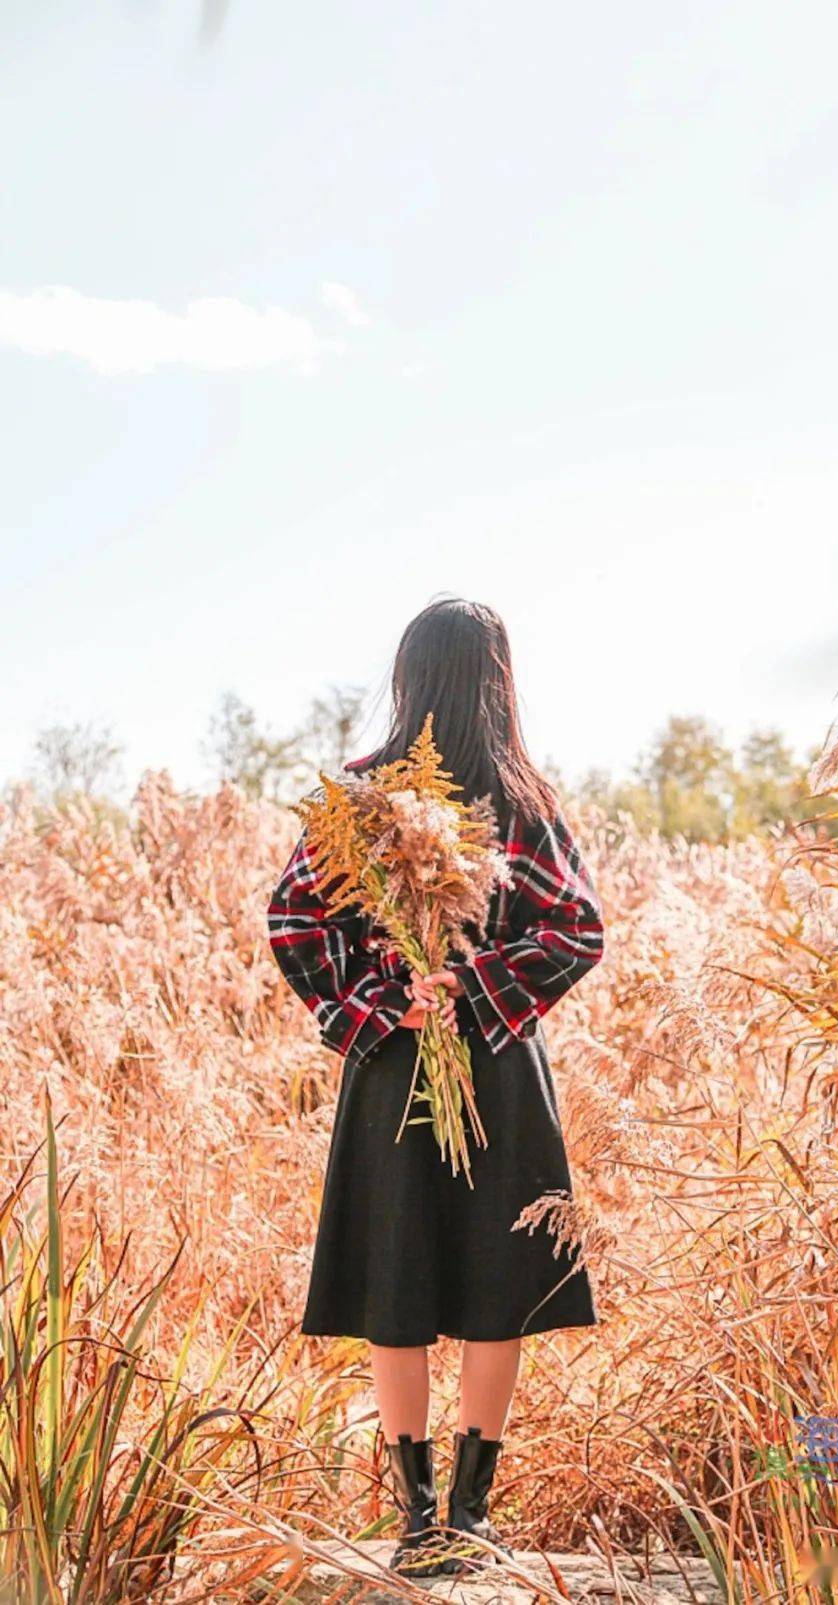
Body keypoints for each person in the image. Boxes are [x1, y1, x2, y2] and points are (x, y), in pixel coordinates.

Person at [267, 598, 604, 1575]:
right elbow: (577, 930)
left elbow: (294, 925)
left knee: (397, 1281)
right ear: (497, 677)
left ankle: (421, 1527)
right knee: (494, 1287)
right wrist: (473, 986)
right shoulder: (521, 796)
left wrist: (387, 1000)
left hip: (397, 1068)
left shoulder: (357, 798)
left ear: (409, 677)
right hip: (496, 1068)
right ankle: (467, 1519)